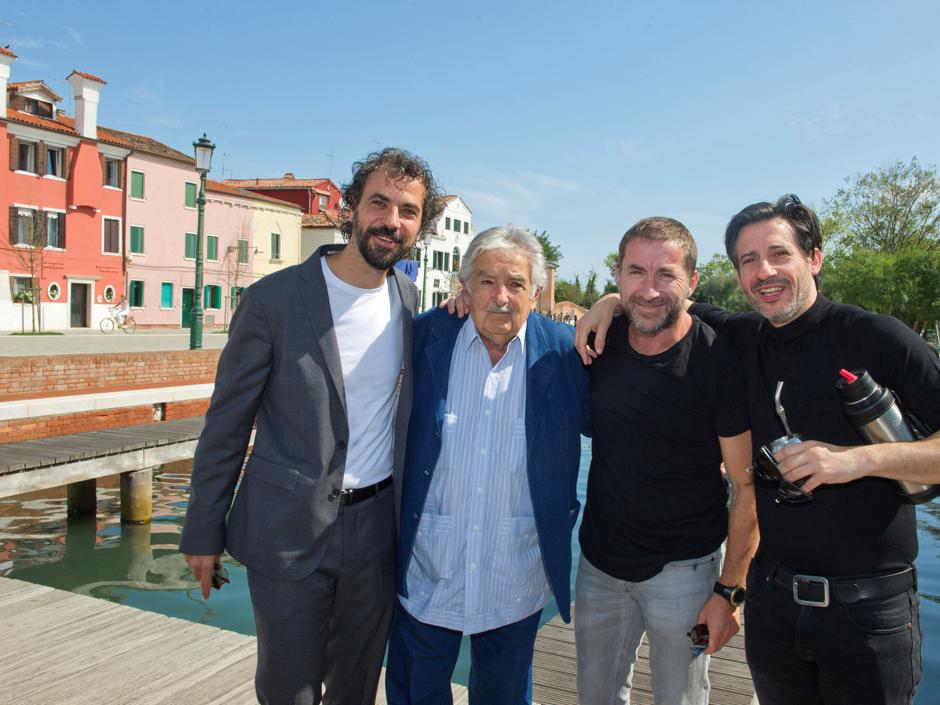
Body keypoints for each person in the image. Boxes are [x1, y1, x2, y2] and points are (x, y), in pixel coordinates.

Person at [576, 196, 940, 705]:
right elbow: (658, 301)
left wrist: (855, 460)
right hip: (773, 601)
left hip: (869, 608)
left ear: (813, 258)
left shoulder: (877, 337)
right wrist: (608, 301)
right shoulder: (742, 336)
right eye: (748, 261)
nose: (763, 271)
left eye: (779, 254)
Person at [180, 147, 445, 705]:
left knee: (355, 687)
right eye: (379, 203)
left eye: (408, 211)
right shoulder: (272, 301)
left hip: (377, 529)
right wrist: (203, 531)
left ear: (421, 226)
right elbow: (227, 424)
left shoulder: (409, 299)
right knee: (288, 689)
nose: (391, 221)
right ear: (351, 208)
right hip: (286, 528)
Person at [386, 226, 590, 705]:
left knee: (504, 697)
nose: (501, 297)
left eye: (516, 284)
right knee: (416, 694)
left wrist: (611, 302)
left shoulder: (566, 353)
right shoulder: (423, 339)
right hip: (427, 567)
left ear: (536, 292)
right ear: (465, 286)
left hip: (513, 573)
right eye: (486, 281)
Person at [574, 217, 755, 705]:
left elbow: (747, 485)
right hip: (598, 571)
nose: (649, 289)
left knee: (685, 694)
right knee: (595, 696)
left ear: (692, 282)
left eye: (666, 275)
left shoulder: (718, 361)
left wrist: (729, 594)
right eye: (635, 273)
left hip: (690, 576)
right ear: (617, 275)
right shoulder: (598, 344)